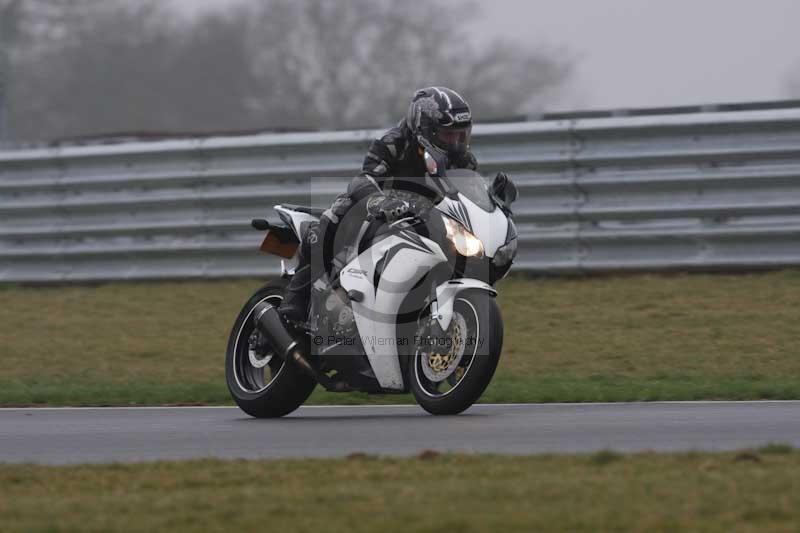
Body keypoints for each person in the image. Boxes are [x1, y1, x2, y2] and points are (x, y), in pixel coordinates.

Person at [278, 86, 479, 323]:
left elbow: (468, 198)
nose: (455, 142)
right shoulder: (393, 143)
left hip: (424, 219)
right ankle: (293, 304)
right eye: (448, 135)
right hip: (378, 212)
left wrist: (492, 206)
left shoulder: (463, 161)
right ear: (425, 128)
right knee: (335, 216)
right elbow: (363, 180)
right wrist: (380, 201)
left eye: (460, 135)